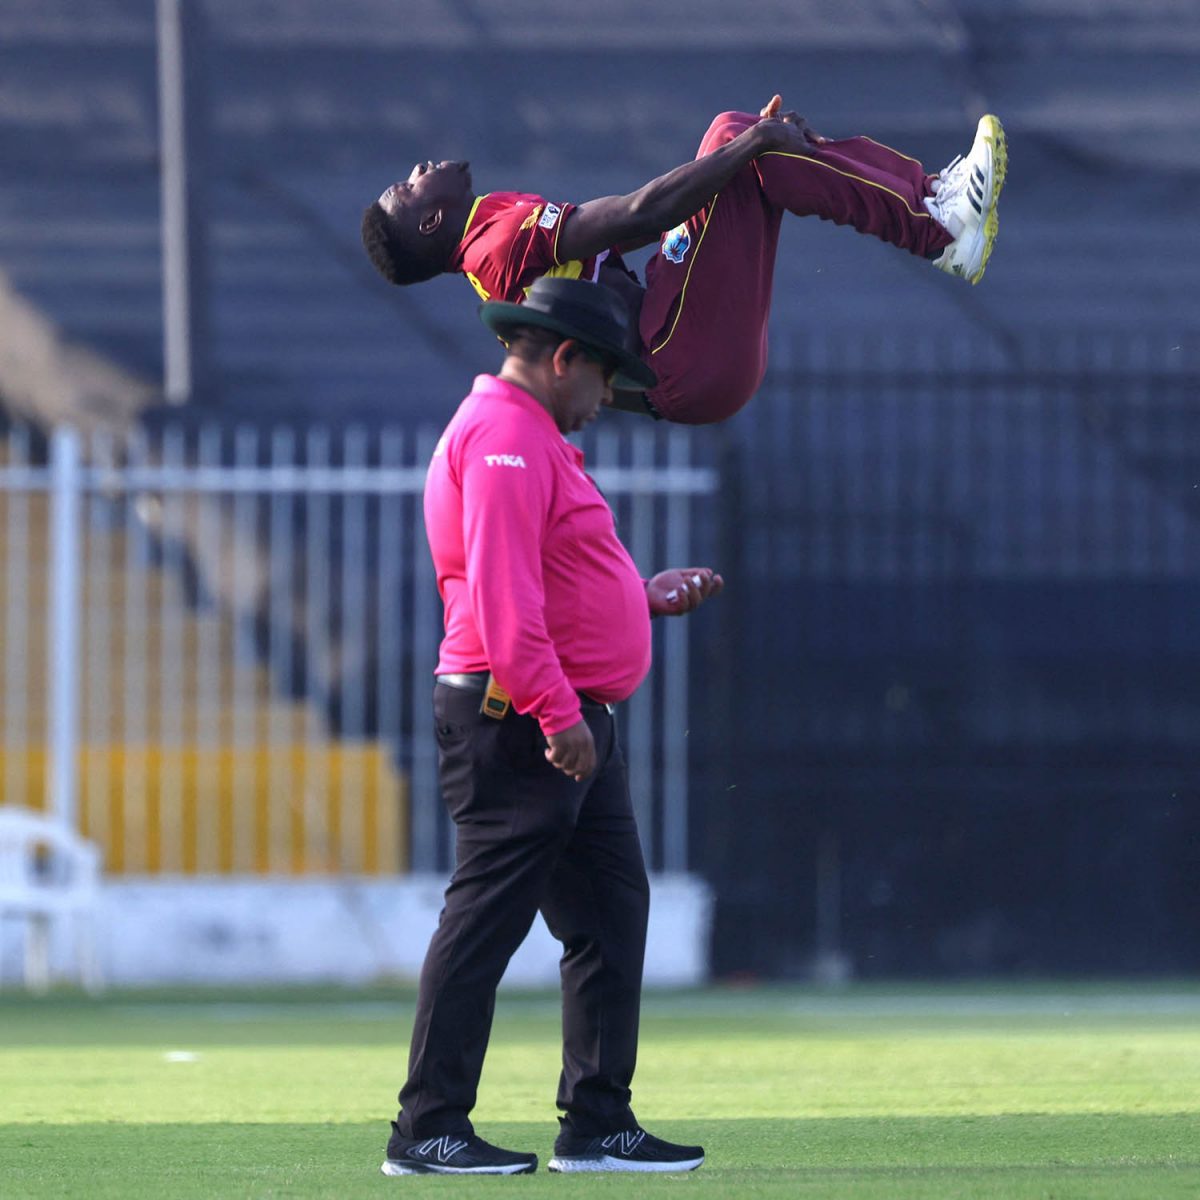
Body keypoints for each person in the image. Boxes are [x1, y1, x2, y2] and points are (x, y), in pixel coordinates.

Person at [381, 275, 723, 1178]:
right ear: (563, 358)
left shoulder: (530, 435)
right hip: (522, 714)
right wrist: (557, 712)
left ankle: (599, 1123)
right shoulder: (504, 437)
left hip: (558, 710)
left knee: (611, 911)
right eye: (604, 376)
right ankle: (428, 1129)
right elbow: (502, 598)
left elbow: (550, 576)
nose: (607, 397)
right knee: (486, 916)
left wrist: (633, 600)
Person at [361, 96, 1006, 424]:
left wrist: (743, 154)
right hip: (681, 358)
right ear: (429, 221)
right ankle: (942, 230)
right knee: (743, 144)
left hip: (676, 339)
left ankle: (932, 199)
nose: (415, 170)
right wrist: (750, 148)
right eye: (405, 185)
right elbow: (643, 214)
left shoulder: (488, 227)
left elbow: (631, 235)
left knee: (735, 135)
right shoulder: (497, 246)